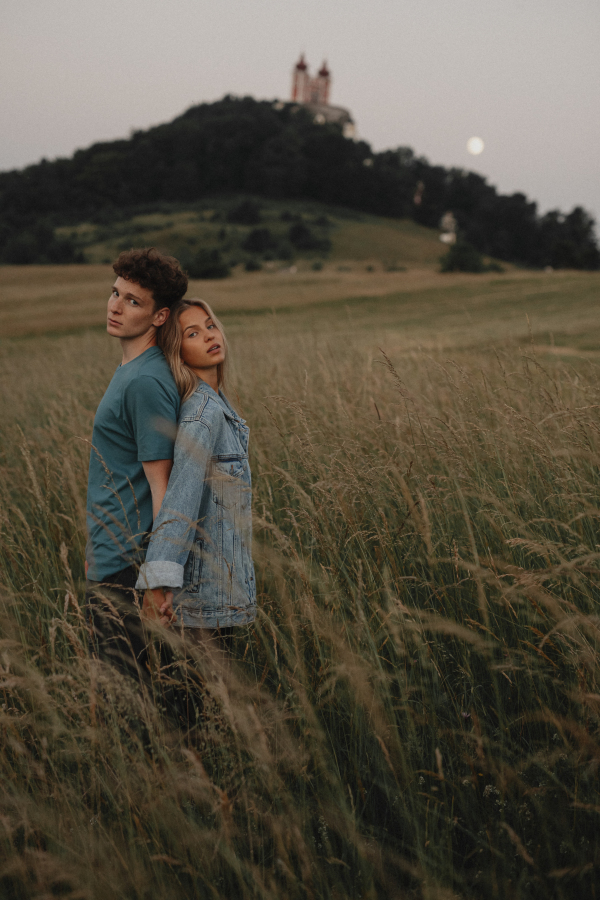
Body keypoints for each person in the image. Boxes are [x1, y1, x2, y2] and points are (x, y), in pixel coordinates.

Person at [85, 247, 188, 676]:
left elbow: (164, 490)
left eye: (133, 301)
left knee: (130, 703)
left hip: (128, 568)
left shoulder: (145, 380)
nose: (115, 306)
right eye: (115, 293)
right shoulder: (131, 368)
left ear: (159, 316)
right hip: (111, 556)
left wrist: (158, 580)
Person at [135, 298, 256, 649]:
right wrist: (157, 584)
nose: (208, 336)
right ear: (178, 352)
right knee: (201, 701)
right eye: (192, 333)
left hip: (221, 590)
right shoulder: (201, 416)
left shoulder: (219, 405)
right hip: (201, 600)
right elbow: (179, 503)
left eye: (210, 325)